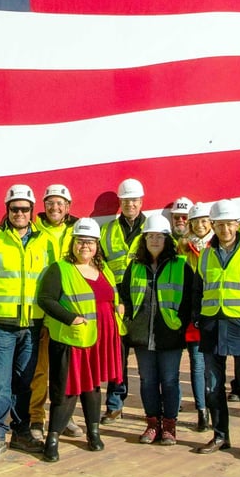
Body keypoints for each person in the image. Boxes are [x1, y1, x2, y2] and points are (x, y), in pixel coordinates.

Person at [0, 184, 53, 459]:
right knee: (0, 384)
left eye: (24, 209)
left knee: (24, 382)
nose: (19, 213)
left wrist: (49, 322)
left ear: (32, 212)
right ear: (7, 210)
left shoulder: (45, 242)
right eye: (14, 208)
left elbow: (53, 286)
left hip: (32, 326)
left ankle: (21, 432)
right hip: (1, 327)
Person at [36, 218, 124, 460]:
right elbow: (45, 299)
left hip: (100, 337)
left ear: (97, 245)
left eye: (90, 242)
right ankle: (52, 438)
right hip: (72, 339)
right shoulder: (60, 268)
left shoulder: (104, 269)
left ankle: (93, 433)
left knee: (93, 386)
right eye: (80, 241)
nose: (85, 246)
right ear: (72, 243)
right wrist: (69, 318)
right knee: (65, 389)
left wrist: (119, 306)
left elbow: (110, 297)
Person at [193, 200, 240, 461]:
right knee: (213, 387)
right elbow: (197, 291)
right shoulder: (205, 255)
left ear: (237, 225)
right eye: (219, 224)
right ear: (213, 225)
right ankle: (220, 435)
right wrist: (198, 318)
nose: (225, 229)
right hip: (212, 325)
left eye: (229, 223)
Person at [121, 214, 195, 446]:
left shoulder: (181, 265)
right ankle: (152, 424)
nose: (154, 240)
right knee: (147, 381)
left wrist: (182, 323)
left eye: (159, 236)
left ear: (167, 239)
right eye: (150, 236)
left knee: (170, 381)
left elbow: (191, 299)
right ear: (144, 240)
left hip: (170, 333)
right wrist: (130, 323)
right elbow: (124, 296)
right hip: (143, 335)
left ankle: (169, 426)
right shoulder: (134, 266)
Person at [30, 184, 82, 441]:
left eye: (60, 202)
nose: (55, 207)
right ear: (43, 205)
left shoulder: (77, 231)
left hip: (67, 311)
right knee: (39, 370)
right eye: (50, 202)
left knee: (65, 370)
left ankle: (64, 417)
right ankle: (36, 419)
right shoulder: (32, 229)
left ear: (68, 207)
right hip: (41, 310)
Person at [99, 178, 147, 421]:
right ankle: (115, 403)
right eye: (126, 200)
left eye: (134, 200)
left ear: (141, 202)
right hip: (116, 303)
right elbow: (100, 266)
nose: (130, 204)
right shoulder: (106, 231)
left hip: (144, 302)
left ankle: (153, 405)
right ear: (120, 202)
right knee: (117, 356)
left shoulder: (153, 227)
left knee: (146, 358)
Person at [178, 201, 212, 431]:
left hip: (215, 313)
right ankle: (202, 411)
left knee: (214, 365)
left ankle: (214, 406)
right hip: (192, 314)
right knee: (197, 364)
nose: (200, 225)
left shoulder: (219, 246)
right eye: (195, 221)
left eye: (204, 221)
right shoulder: (182, 247)